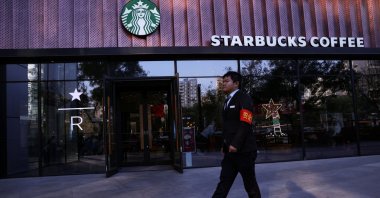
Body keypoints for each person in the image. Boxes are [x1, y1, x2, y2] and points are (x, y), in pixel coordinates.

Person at [212, 71, 261, 198]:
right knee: (224, 182)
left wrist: (235, 144)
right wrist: (224, 145)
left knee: (250, 185)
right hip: (230, 152)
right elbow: (228, 127)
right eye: (223, 81)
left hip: (244, 151)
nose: (224, 84)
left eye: (226, 81)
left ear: (236, 83)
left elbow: (246, 123)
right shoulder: (227, 101)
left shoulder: (244, 98)